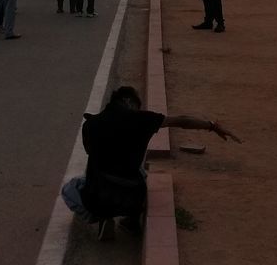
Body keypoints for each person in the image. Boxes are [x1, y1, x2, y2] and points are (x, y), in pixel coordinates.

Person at [61, 85, 240, 241]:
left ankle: (100, 217)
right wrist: (212, 126)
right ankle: (131, 221)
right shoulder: (143, 119)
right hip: (131, 197)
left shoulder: (91, 125)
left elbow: (90, 152)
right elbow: (181, 121)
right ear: (128, 101)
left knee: (70, 187)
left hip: (97, 197)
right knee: (139, 171)